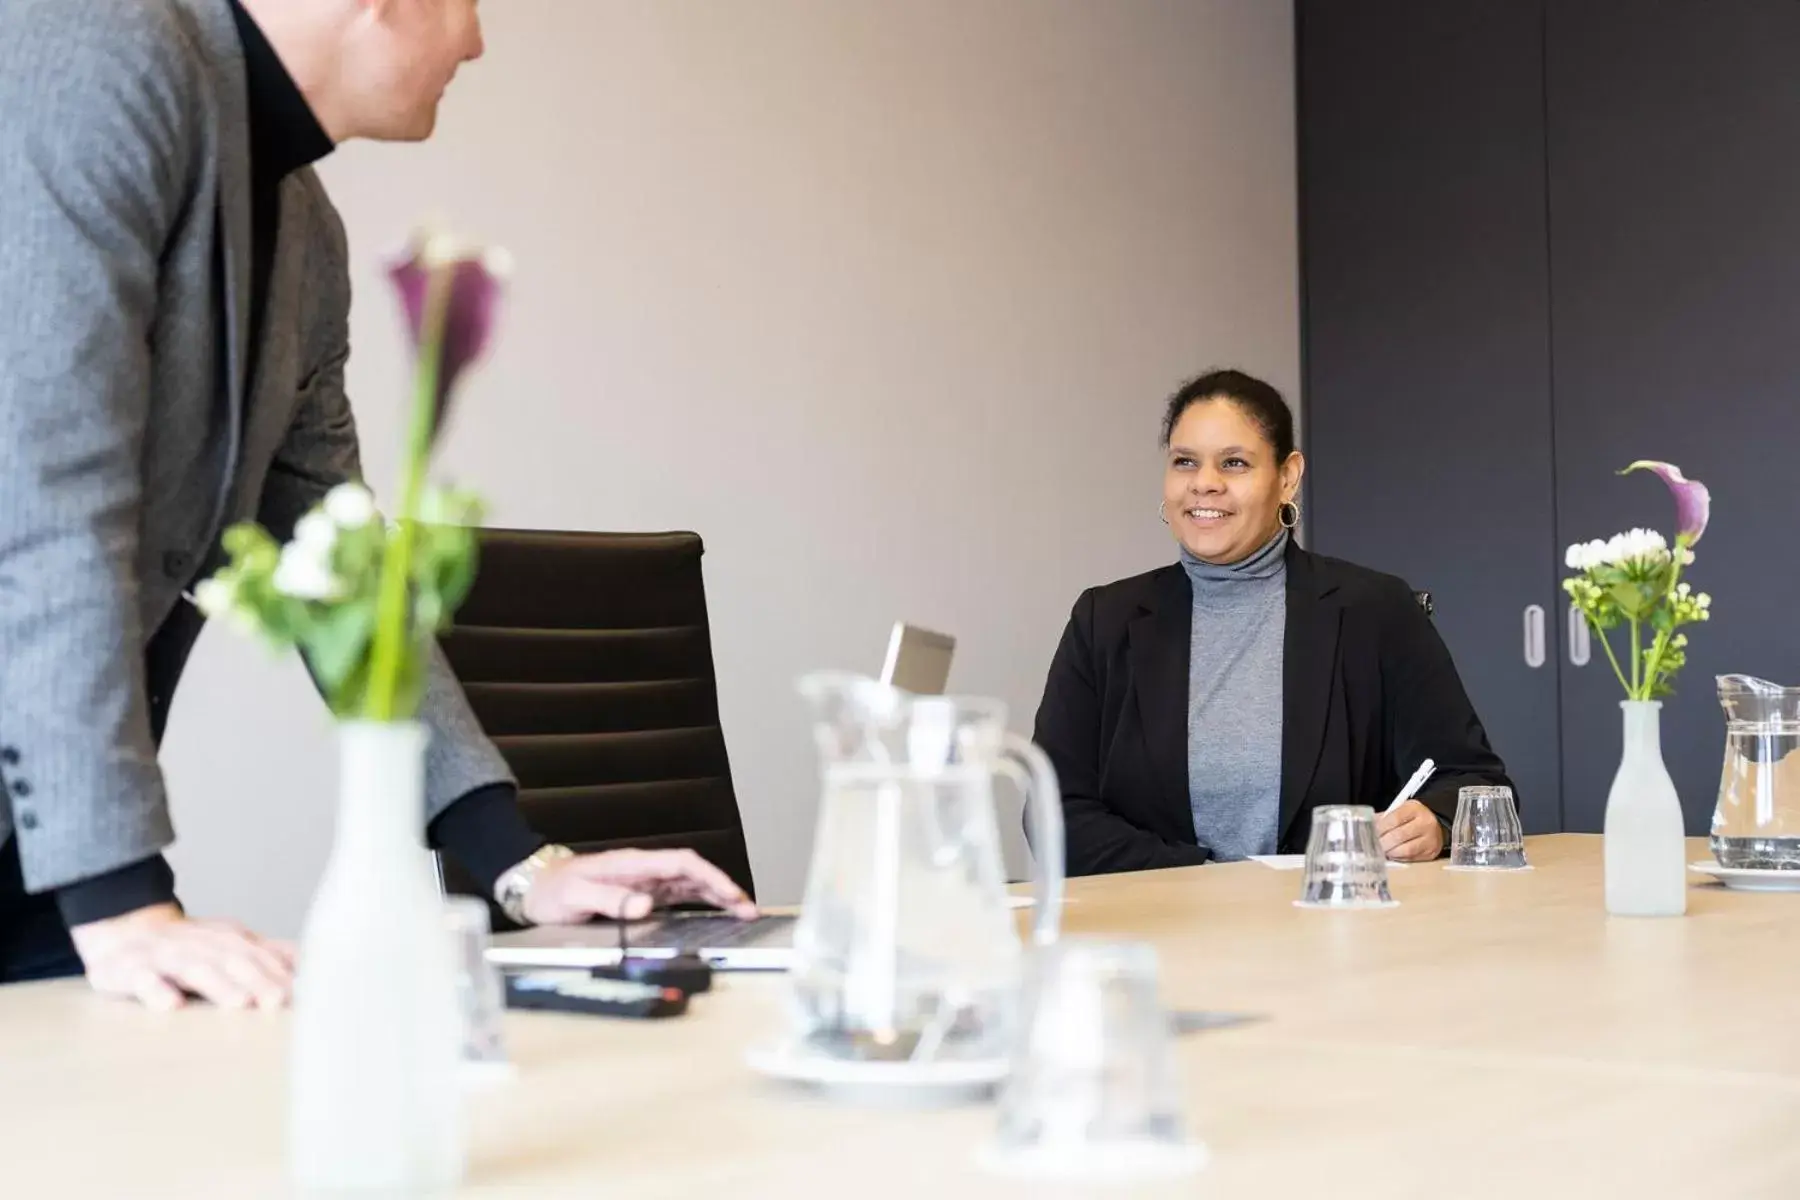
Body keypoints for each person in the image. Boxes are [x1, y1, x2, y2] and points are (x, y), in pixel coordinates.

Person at [0, 0, 755, 1007]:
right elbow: (45, 491)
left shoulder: (303, 231)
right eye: (469, 5)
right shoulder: (96, 49)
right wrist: (123, 901)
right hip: (82, 858)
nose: (476, 41)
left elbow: (342, 559)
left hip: (46, 852)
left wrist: (518, 863)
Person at [1033, 369, 1514, 877]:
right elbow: (1053, 812)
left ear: (1287, 477)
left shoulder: (1375, 609)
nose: (1205, 484)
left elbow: (1474, 782)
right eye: (1185, 462)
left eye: (1234, 463)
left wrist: (1436, 822)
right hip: (1160, 931)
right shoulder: (1103, 620)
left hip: (1333, 929)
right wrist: (1204, 884)